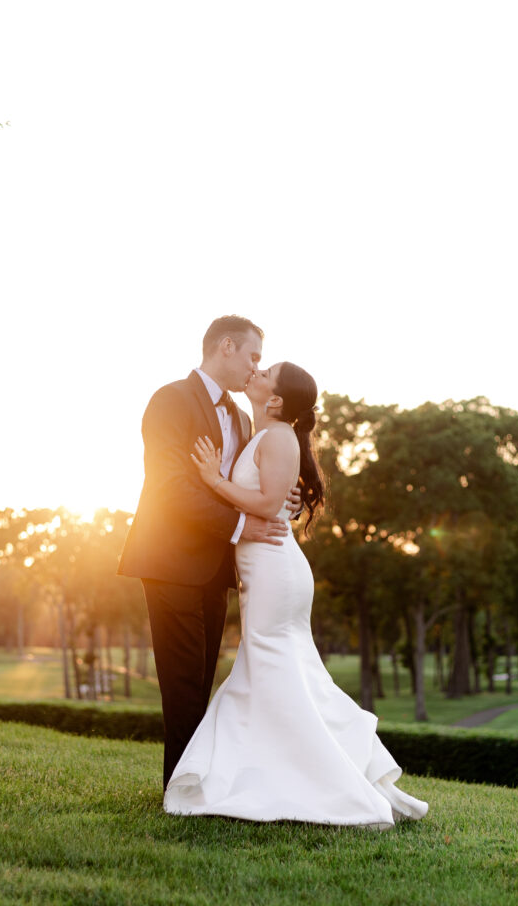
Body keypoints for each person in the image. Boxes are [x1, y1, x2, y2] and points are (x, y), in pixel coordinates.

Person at [163, 361, 429, 827]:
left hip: (274, 570)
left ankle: (319, 779)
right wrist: (274, 497)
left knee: (270, 665)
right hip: (262, 568)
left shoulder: (280, 435)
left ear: (278, 399)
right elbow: (272, 497)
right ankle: (284, 772)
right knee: (279, 669)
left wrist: (213, 480)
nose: (256, 371)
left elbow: (266, 505)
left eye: (266, 371)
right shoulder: (260, 433)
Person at [117, 316, 301, 789]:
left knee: (201, 684)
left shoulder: (243, 419)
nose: (255, 367)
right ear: (226, 347)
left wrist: (282, 499)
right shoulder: (170, 400)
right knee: (180, 686)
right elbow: (172, 487)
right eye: (253, 357)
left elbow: (246, 485)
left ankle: (195, 783)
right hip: (171, 561)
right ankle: (177, 790)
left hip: (216, 567)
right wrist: (244, 525)